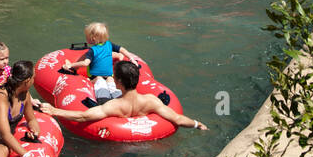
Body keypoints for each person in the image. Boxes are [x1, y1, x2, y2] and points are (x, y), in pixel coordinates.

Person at [42, 59, 208, 131]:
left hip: (112, 148)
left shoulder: (113, 106)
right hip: (143, 146)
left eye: (114, 77)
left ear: (119, 82)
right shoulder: (151, 100)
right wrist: (197, 124)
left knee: (99, 84)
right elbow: (178, 119)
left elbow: (84, 116)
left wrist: (55, 111)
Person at [63, 21, 137, 102]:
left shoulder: (92, 50)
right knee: (111, 81)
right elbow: (122, 49)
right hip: (109, 75)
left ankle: (103, 100)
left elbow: (85, 63)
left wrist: (71, 65)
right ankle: (120, 99)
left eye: (87, 36)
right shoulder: (109, 45)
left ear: (93, 38)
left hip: (95, 77)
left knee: (99, 80)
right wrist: (131, 58)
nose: (86, 38)